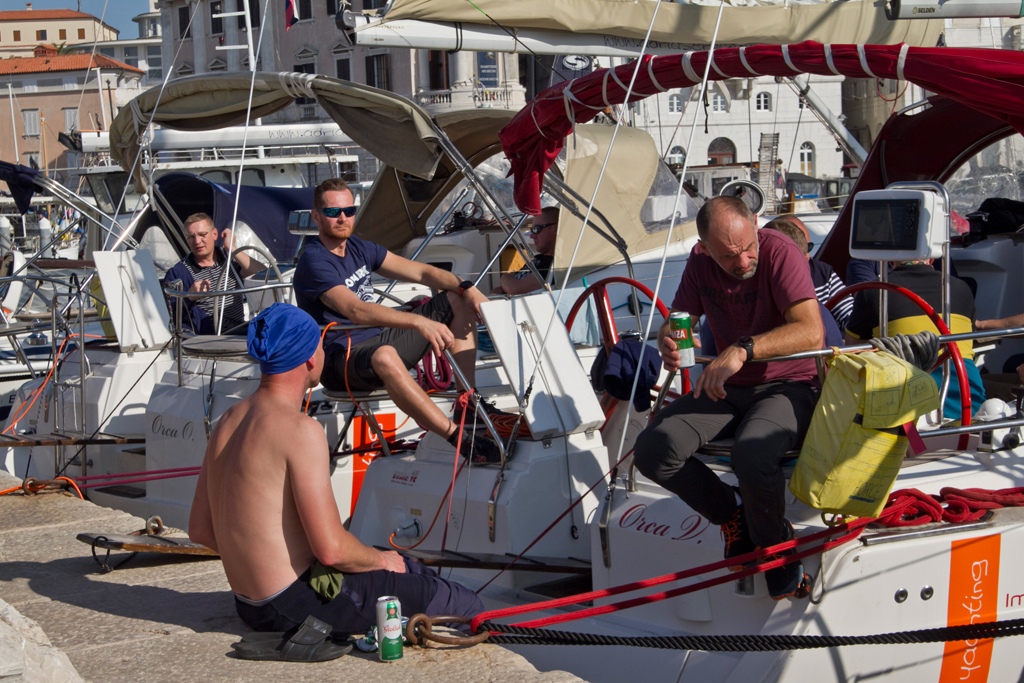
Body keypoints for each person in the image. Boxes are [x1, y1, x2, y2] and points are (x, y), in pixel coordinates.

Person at [189, 303, 483, 651]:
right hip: (297, 605)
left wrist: (260, 561)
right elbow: (331, 550)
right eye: (320, 345)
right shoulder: (300, 430)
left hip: (250, 605)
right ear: (309, 359)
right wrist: (381, 560)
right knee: (462, 603)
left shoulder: (228, 419)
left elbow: (200, 530)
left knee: (410, 568)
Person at [633, 196, 824, 601]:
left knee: (752, 455)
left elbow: (811, 331)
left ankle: (775, 544)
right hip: (729, 389)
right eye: (728, 256)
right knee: (651, 449)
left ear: (755, 222)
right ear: (704, 248)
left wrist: (742, 349)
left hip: (789, 386)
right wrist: (667, 340)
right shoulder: (699, 262)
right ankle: (733, 515)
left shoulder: (781, 251)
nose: (742, 261)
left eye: (748, 248)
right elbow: (678, 320)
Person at [293, 178, 503, 463]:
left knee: (456, 298)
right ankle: (459, 439)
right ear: (316, 216)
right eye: (333, 212)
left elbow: (422, 272)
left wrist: (468, 288)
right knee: (385, 356)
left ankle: (467, 402)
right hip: (341, 359)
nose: (343, 218)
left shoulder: (359, 248)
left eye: (349, 210)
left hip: (377, 341)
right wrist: (418, 322)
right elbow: (356, 310)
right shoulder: (314, 262)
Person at [844, 258, 986, 418]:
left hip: (905, 404)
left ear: (890, 261)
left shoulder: (872, 291)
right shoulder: (962, 288)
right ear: (931, 259)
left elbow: (853, 350)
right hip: (968, 400)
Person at [165, 213, 263, 334]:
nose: (197, 241)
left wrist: (231, 248)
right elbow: (171, 316)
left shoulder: (229, 260)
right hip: (208, 338)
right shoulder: (179, 272)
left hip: (239, 331)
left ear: (214, 234)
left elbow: (264, 275)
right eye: (191, 237)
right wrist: (189, 296)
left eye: (202, 234)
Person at [763, 215, 854, 333]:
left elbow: (849, 315)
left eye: (808, 247)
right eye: (798, 248)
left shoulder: (823, 273)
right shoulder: (760, 283)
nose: (806, 255)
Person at [491, 207, 558, 296]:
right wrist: (505, 285)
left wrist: (504, 277)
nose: (532, 236)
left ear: (554, 228)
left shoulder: (553, 267)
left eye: (536, 229)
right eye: (531, 230)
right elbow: (501, 289)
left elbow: (512, 289)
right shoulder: (537, 259)